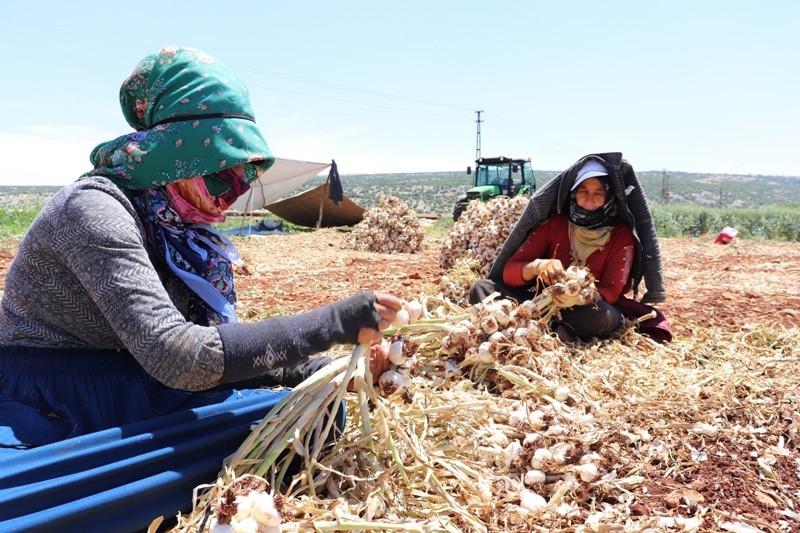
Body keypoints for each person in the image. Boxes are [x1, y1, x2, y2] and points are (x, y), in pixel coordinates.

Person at [0, 46, 401, 532]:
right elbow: (183, 357)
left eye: (244, 174)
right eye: (220, 172)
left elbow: (215, 350)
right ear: (173, 153)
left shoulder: (181, 232)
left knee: (306, 416)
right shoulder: (93, 209)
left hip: (143, 384)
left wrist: (327, 372)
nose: (234, 189)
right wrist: (332, 324)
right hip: (58, 397)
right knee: (38, 509)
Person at [470, 153, 672, 343]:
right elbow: (509, 271)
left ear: (610, 196)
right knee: (482, 288)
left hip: (585, 310)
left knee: (600, 316)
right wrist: (536, 267)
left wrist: (581, 296)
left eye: (598, 192)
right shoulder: (555, 223)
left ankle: (537, 328)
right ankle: (545, 328)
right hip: (540, 303)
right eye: (583, 191)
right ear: (573, 194)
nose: (589, 199)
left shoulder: (621, 236)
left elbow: (611, 289)